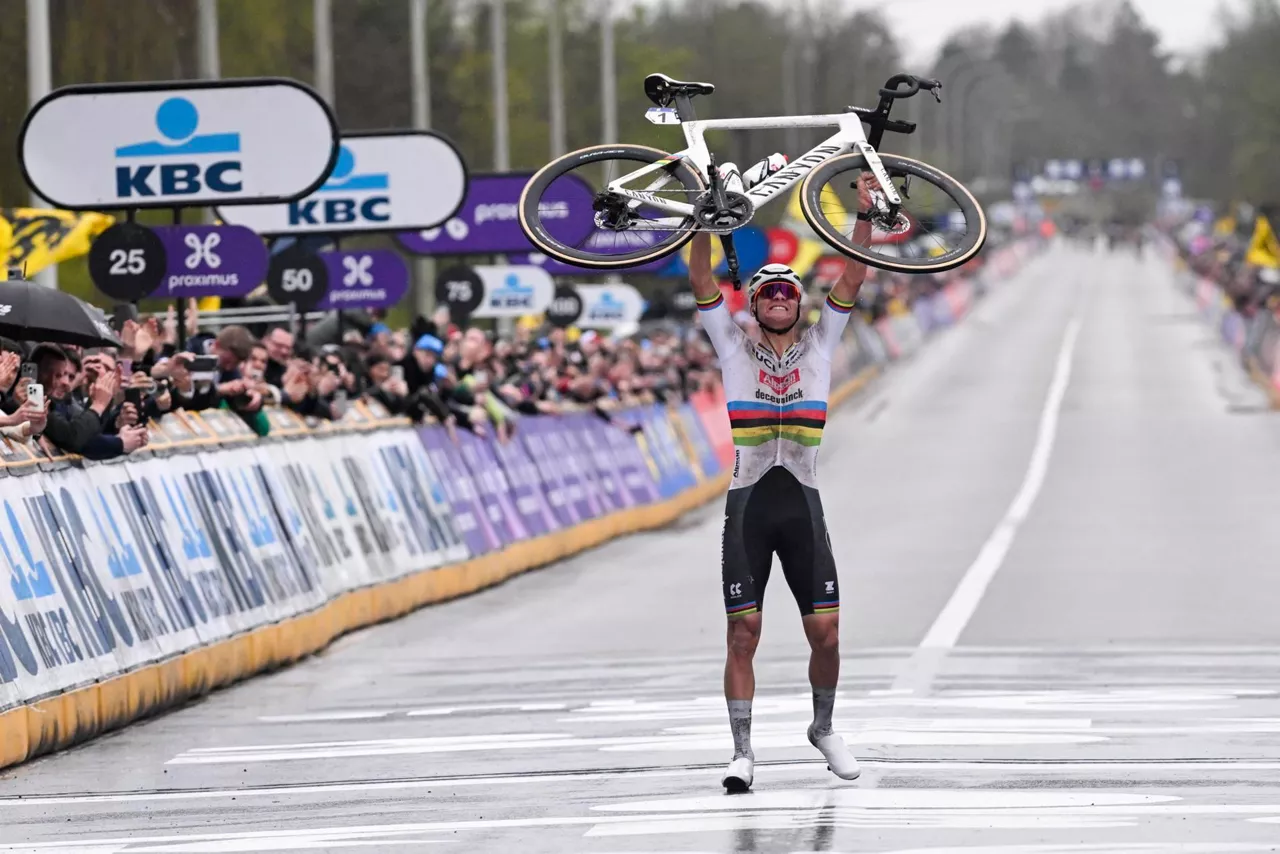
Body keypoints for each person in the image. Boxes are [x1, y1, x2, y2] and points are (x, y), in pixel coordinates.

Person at [688, 175, 874, 792]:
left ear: (798, 304)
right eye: (765, 294)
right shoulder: (733, 348)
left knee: (827, 631)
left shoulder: (822, 345)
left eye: (785, 294)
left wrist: (865, 212)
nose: (775, 300)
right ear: (756, 304)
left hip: (802, 504)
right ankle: (741, 752)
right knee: (744, 633)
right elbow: (702, 285)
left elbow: (852, 278)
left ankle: (823, 728)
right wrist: (702, 228)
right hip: (747, 506)